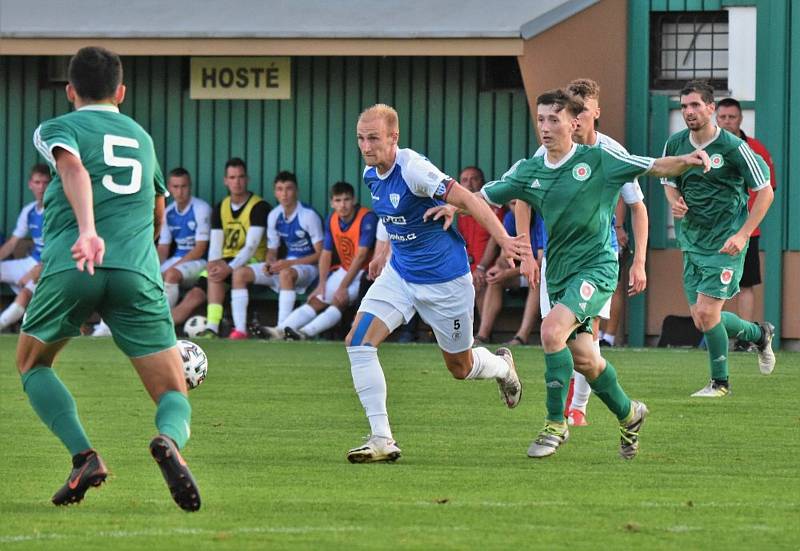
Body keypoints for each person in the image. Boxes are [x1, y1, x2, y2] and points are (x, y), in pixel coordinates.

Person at [19, 46, 200, 510]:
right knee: (171, 390)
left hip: (73, 264)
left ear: (69, 91)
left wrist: (88, 231)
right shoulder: (141, 137)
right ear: (121, 91)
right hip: (136, 271)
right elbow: (158, 207)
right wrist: (137, 249)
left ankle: (84, 456)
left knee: (32, 364)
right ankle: (169, 441)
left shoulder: (58, 127)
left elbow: (73, 168)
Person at [489, 88, 710, 459]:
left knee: (550, 331)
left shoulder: (602, 158)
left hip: (597, 268)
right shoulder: (532, 169)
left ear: (573, 123)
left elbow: (655, 166)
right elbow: (486, 197)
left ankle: (555, 423)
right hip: (559, 273)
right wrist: (452, 206)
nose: (544, 127)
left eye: (553, 119)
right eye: (540, 119)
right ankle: (629, 413)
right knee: (586, 360)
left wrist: (686, 161)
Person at [344, 104, 530, 464]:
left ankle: (503, 367)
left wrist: (505, 240)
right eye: (361, 138)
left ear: (394, 137)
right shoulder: (371, 170)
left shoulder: (414, 168)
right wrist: (383, 251)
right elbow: (390, 212)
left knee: (459, 368)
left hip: (446, 282)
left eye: (374, 139)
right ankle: (382, 437)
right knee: (358, 341)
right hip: (400, 275)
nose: (366, 146)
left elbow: (468, 199)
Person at [532, 78, 650, 427]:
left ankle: (575, 410)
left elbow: (638, 206)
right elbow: (522, 193)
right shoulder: (547, 152)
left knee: (580, 329)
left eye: (583, 110)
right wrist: (527, 247)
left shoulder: (611, 153)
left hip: (597, 260)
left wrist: (640, 261)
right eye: (573, 111)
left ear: (597, 112)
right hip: (557, 258)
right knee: (566, 341)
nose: (577, 118)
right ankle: (626, 411)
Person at [662, 81, 775, 397]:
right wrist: (674, 199)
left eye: (695, 105)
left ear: (711, 108)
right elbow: (668, 179)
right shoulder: (674, 144)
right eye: (684, 106)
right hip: (692, 241)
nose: (689, 112)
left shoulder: (735, 148)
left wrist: (743, 235)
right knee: (701, 318)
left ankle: (720, 383)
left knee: (709, 313)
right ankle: (758, 333)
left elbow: (765, 192)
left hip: (726, 242)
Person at [92, 167, 211, 336]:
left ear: (190, 186)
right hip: (178, 260)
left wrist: (170, 268)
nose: (180, 191)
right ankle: (110, 327)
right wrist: (150, 267)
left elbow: (200, 249)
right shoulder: (169, 212)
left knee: (171, 274)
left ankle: (157, 325)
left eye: (183, 186)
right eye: (176, 187)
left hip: (199, 262)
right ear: (169, 188)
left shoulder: (201, 208)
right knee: (141, 277)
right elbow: (163, 248)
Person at [177, 158, 270, 336]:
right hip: (225, 263)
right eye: (232, 177)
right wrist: (213, 263)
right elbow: (216, 243)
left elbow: (251, 247)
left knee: (216, 275)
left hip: (251, 262)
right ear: (225, 181)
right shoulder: (221, 207)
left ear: (248, 179)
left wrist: (227, 267)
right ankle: (156, 329)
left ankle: (212, 327)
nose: (237, 182)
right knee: (194, 296)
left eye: (241, 177)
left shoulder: (259, 206)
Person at [715, 97, 778, 352]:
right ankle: (716, 335)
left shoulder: (755, 148)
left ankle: (745, 338)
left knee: (745, 284)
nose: (727, 122)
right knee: (714, 284)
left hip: (747, 231)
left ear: (740, 119)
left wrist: (748, 225)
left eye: (732, 117)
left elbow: (769, 188)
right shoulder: (709, 147)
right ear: (716, 118)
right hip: (715, 230)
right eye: (723, 117)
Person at [281, 181, 377, 340]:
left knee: (339, 300)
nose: (343, 205)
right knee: (318, 299)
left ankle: (305, 333)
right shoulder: (332, 219)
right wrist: (321, 284)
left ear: (353, 200)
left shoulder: (367, 218)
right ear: (332, 203)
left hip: (365, 273)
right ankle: (280, 330)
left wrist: (343, 287)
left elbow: (361, 256)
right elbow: (326, 253)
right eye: (338, 201)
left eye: (346, 200)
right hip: (345, 269)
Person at [237, 171, 323, 340]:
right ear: (275, 192)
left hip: (309, 268)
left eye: (288, 189)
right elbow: (272, 250)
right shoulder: (274, 215)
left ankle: (280, 329)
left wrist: (288, 264)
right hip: (287, 265)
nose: (284, 194)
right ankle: (239, 330)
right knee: (240, 273)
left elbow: (321, 254)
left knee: (285, 273)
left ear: (296, 191)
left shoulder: (308, 215)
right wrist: (270, 264)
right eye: (280, 189)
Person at [475, 202, 543, 346]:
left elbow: (541, 263)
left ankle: (521, 337)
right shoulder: (510, 218)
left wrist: (507, 273)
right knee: (494, 279)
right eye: (512, 204)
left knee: (536, 279)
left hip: (544, 274)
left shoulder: (540, 219)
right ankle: (482, 335)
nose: (515, 208)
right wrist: (499, 268)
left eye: (518, 204)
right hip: (520, 272)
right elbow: (503, 257)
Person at [0, 164, 50, 331]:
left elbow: (61, 250)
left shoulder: (57, 210)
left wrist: (31, 273)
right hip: (31, 261)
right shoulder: (28, 211)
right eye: (37, 182)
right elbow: (12, 243)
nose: (41, 187)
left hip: (48, 267)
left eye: (45, 182)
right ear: (30, 184)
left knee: (25, 295)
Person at [455, 166, 504, 319]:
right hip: (470, 264)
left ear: (482, 182)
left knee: (481, 280)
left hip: (492, 264)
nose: (469, 183)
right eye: (464, 180)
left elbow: (495, 240)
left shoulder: (493, 206)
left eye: (474, 179)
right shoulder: (460, 210)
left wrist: (481, 267)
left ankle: (483, 333)